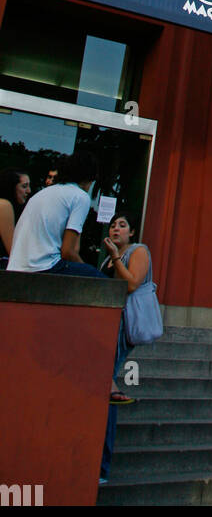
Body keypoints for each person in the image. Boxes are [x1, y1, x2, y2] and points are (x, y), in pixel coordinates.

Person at [98, 213, 153, 484]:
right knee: (104, 383)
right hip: (105, 325)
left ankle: (102, 466)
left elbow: (132, 283)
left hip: (123, 327)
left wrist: (117, 258)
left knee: (105, 385)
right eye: (113, 225)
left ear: (132, 232)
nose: (116, 228)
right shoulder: (108, 258)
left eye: (122, 225)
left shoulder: (137, 251)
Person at [6, 150, 102, 276]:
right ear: (89, 178)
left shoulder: (42, 194)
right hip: (44, 266)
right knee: (103, 281)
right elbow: (67, 251)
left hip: (15, 267)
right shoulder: (80, 196)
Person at [0, 168, 31, 264]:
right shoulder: (3, 205)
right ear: (11, 187)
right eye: (24, 186)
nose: (29, 191)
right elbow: (13, 250)